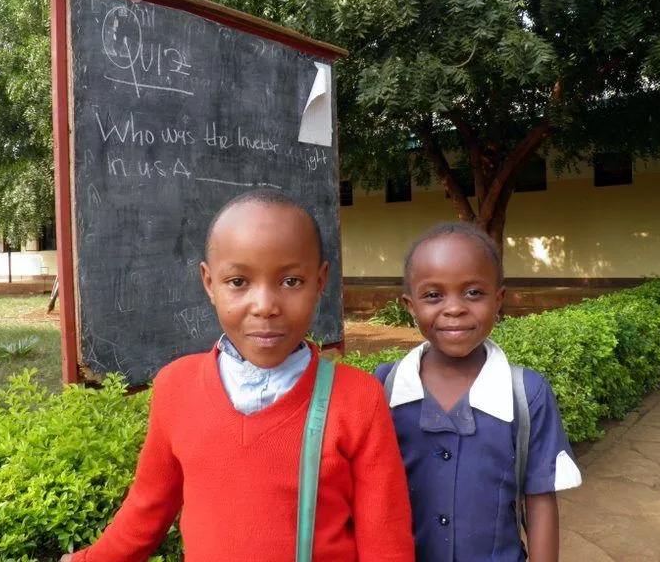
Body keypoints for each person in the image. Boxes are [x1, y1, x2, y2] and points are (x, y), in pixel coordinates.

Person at [62, 189, 415, 562]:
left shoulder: (358, 399)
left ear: (320, 281)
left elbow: (385, 540)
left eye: (291, 281)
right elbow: (149, 507)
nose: (265, 306)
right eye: (238, 282)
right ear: (209, 282)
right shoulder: (176, 388)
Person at [375, 222, 582, 562]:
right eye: (433, 295)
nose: (454, 308)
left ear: (498, 299)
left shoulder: (526, 394)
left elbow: (540, 498)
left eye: (473, 292)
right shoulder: (385, 388)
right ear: (410, 306)